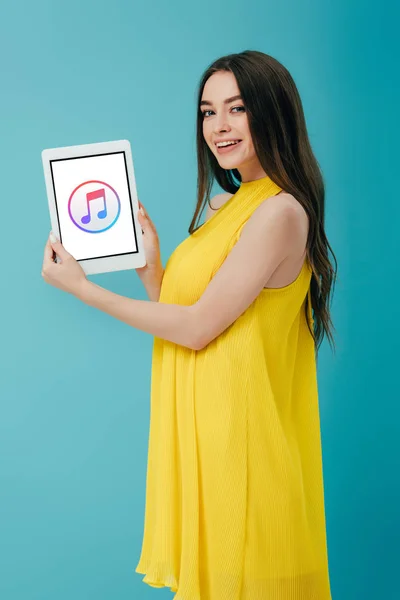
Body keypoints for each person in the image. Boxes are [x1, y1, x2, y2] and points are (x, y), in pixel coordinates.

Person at [42, 50, 336, 600]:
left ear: (273, 112)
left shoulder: (279, 213)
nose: (218, 127)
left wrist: (84, 290)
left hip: (242, 454)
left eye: (237, 108)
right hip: (208, 446)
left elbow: (199, 327)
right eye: (207, 112)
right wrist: (153, 271)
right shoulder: (227, 207)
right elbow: (204, 329)